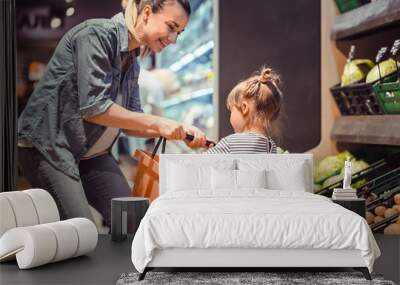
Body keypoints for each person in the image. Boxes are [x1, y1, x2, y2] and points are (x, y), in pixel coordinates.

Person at [17, 0, 210, 228]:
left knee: (134, 222)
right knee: (82, 231)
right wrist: (161, 124)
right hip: (49, 148)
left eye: (179, 32)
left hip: (91, 154)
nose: (173, 39)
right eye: (171, 27)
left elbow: (130, 123)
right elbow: (94, 108)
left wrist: (177, 130)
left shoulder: (133, 59)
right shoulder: (96, 35)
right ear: (147, 13)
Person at [206, 67, 282, 154]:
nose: (230, 116)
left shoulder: (230, 143)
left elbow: (201, 163)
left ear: (244, 108)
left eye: (231, 110)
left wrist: (211, 152)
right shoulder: (271, 146)